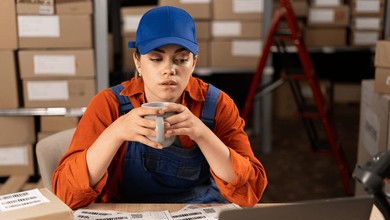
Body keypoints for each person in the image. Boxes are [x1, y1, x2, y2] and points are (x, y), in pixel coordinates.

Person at [52, 6, 268, 209]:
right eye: (156, 58)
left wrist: (202, 134)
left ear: (193, 63)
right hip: (128, 214)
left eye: (181, 59)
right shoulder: (109, 104)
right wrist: (116, 132)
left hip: (196, 214)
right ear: (137, 61)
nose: (169, 70)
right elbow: (65, 195)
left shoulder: (216, 104)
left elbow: (249, 193)